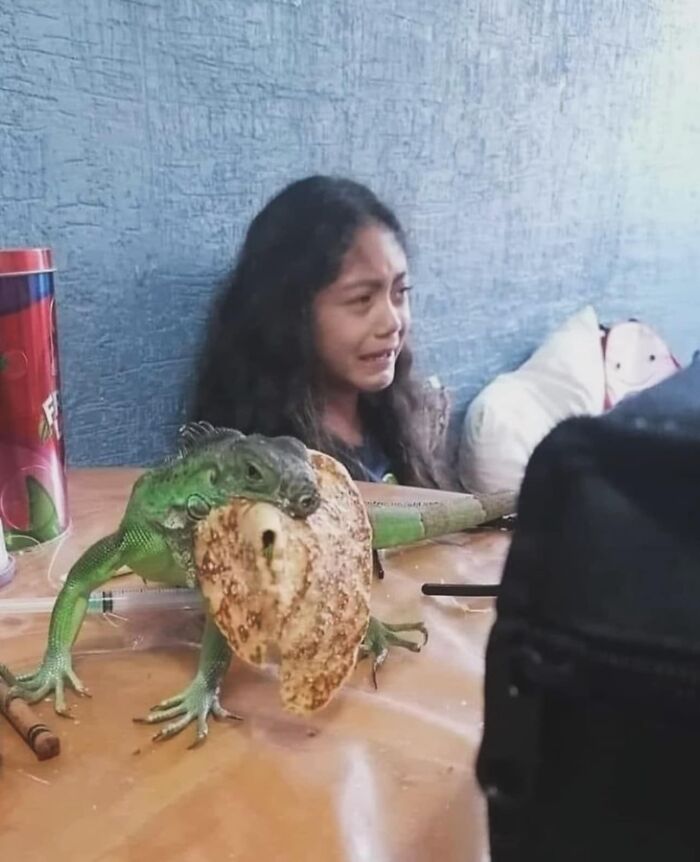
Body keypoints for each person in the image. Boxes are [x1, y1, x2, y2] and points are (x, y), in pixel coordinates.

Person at [192, 175, 444, 487]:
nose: (392, 322)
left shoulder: (393, 416)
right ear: (289, 313)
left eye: (400, 292)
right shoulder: (258, 466)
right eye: (362, 299)